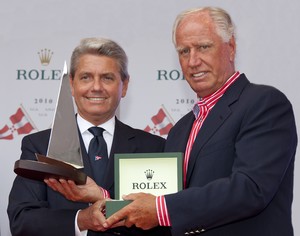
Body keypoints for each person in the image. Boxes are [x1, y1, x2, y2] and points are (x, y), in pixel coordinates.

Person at [102, 6, 298, 236]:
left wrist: (160, 208)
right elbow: (166, 206)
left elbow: (250, 189)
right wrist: (104, 200)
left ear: (231, 47)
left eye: (203, 47)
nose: (193, 61)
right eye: (184, 51)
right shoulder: (180, 130)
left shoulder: (264, 103)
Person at [7, 37, 171, 236]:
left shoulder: (155, 147)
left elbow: (165, 223)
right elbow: (21, 221)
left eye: (107, 78)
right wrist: (82, 220)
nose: (96, 87)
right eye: (86, 77)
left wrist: (106, 202)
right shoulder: (40, 146)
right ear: (71, 85)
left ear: (124, 85)